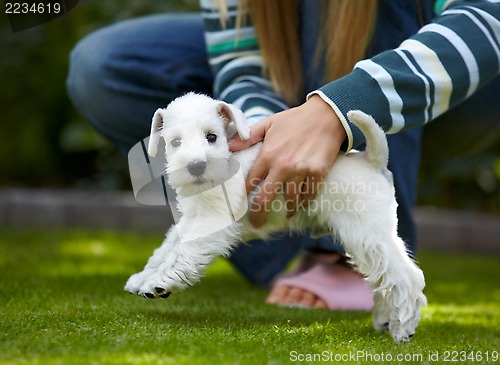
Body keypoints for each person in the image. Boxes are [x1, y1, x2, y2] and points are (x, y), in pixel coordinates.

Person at [67, 0, 499, 310]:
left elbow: (489, 16)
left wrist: (335, 109)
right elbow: (240, 63)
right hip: (292, 80)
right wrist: (260, 140)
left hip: (467, 78)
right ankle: (281, 246)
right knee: (103, 65)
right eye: (177, 143)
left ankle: (338, 255)